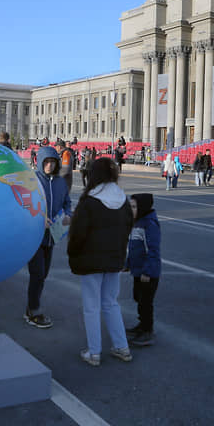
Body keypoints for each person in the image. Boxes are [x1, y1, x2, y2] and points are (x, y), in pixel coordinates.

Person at [68, 157, 134, 366]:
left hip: (91, 260)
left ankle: (94, 351)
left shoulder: (90, 201)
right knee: (111, 303)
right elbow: (127, 230)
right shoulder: (122, 199)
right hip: (114, 258)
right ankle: (122, 346)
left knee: (91, 306)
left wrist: (73, 254)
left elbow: (78, 235)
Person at [25, 146, 71, 329]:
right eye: (46, 162)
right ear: (39, 161)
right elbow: (24, 204)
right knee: (37, 274)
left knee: (43, 274)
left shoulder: (60, 182)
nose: (50, 165)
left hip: (52, 236)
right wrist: (38, 218)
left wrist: (68, 215)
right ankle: (33, 310)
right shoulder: (32, 180)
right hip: (34, 236)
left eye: (53, 162)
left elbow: (67, 202)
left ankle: (31, 305)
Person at [125, 193, 161, 346]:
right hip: (138, 270)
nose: (131, 210)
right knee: (138, 298)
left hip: (148, 273)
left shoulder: (149, 224)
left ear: (143, 208)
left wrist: (147, 271)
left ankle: (147, 330)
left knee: (146, 302)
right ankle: (141, 325)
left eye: (134, 207)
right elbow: (132, 247)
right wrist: (128, 264)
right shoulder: (136, 222)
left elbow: (152, 250)